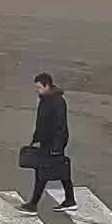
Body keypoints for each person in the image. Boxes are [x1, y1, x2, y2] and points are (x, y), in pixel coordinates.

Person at [20, 72, 75, 214]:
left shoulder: (57, 102)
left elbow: (61, 126)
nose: (37, 91)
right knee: (57, 171)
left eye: (39, 88)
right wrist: (36, 139)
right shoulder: (45, 99)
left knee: (45, 171)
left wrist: (57, 147)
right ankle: (69, 200)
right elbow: (41, 123)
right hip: (46, 142)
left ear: (47, 86)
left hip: (54, 143)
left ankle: (33, 204)